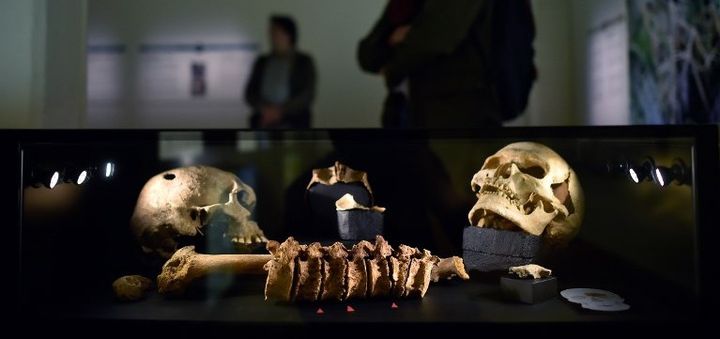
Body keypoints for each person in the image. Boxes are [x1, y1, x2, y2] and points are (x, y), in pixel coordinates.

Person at [357, 0, 511, 128]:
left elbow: (435, 39)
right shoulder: (404, 4)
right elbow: (367, 55)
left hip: (458, 113)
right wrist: (395, 40)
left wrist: (391, 62)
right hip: (406, 111)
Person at [246, 15, 316, 128]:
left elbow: (307, 94)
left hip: (295, 121)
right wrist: (264, 109)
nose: (271, 36)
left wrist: (280, 111)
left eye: (275, 32)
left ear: (288, 35)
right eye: (271, 32)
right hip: (263, 120)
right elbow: (249, 93)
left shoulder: (304, 62)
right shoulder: (262, 61)